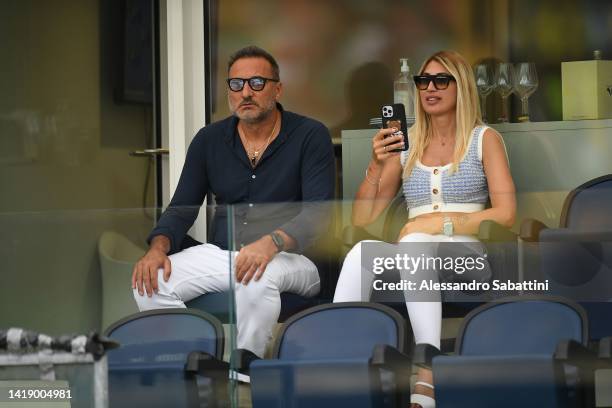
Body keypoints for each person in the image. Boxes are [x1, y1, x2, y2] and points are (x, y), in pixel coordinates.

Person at [333, 50, 516, 408]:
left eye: (441, 80)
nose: (430, 88)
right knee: (361, 253)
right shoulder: (408, 143)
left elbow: (507, 213)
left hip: (470, 258)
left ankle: (428, 369)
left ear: (460, 86)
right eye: (423, 81)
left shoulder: (484, 139)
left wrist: (441, 223)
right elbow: (362, 220)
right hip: (415, 257)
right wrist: (376, 164)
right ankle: (339, 358)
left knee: (416, 238)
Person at [132, 45, 335, 358]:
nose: (246, 93)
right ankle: (194, 361)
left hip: (295, 259)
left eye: (257, 83)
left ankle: (246, 366)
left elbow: (319, 213)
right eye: (236, 85)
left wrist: (271, 243)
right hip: (226, 256)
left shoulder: (310, 135)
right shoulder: (209, 140)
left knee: (257, 275)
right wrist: (157, 248)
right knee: (150, 280)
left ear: (277, 89)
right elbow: (181, 207)